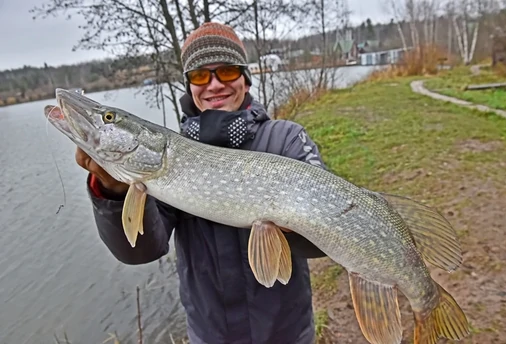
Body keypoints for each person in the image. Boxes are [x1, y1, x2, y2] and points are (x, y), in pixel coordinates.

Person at [77, 22, 328, 344]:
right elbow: (139, 251)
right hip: (212, 333)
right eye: (199, 76)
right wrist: (113, 191)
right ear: (189, 85)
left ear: (245, 77)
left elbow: (321, 243)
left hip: (287, 330)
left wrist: (298, 223)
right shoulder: (167, 158)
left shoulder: (286, 138)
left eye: (226, 71)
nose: (213, 85)